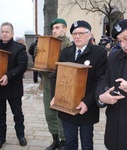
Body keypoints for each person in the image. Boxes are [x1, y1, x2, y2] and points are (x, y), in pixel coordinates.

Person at [51, 20, 107, 150]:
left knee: (87, 143)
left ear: (90, 34)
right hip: (66, 106)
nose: (77, 36)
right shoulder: (66, 52)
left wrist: (87, 102)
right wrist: (56, 96)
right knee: (70, 142)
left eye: (81, 33)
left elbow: (99, 81)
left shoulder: (99, 53)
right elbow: (56, 77)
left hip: (86, 107)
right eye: (75, 33)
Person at [95, 19, 127, 150]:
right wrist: (102, 97)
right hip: (115, 133)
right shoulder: (114, 56)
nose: (123, 45)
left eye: (126, 39)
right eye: (119, 41)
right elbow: (104, 80)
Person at [40, 18, 72, 150]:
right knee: (49, 114)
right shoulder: (48, 43)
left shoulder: (69, 47)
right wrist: (39, 56)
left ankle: (64, 142)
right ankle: (55, 141)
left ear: (64, 29)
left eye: (58, 28)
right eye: (53, 28)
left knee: (61, 116)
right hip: (48, 85)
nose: (54, 30)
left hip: (62, 87)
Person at [0, 22, 28, 149]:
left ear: (12, 33)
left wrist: (8, 76)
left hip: (13, 87)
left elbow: (22, 66)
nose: (4, 34)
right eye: (2, 31)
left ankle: (20, 135)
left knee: (17, 114)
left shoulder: (19, 48)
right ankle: (0, 138)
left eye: (7, 32)